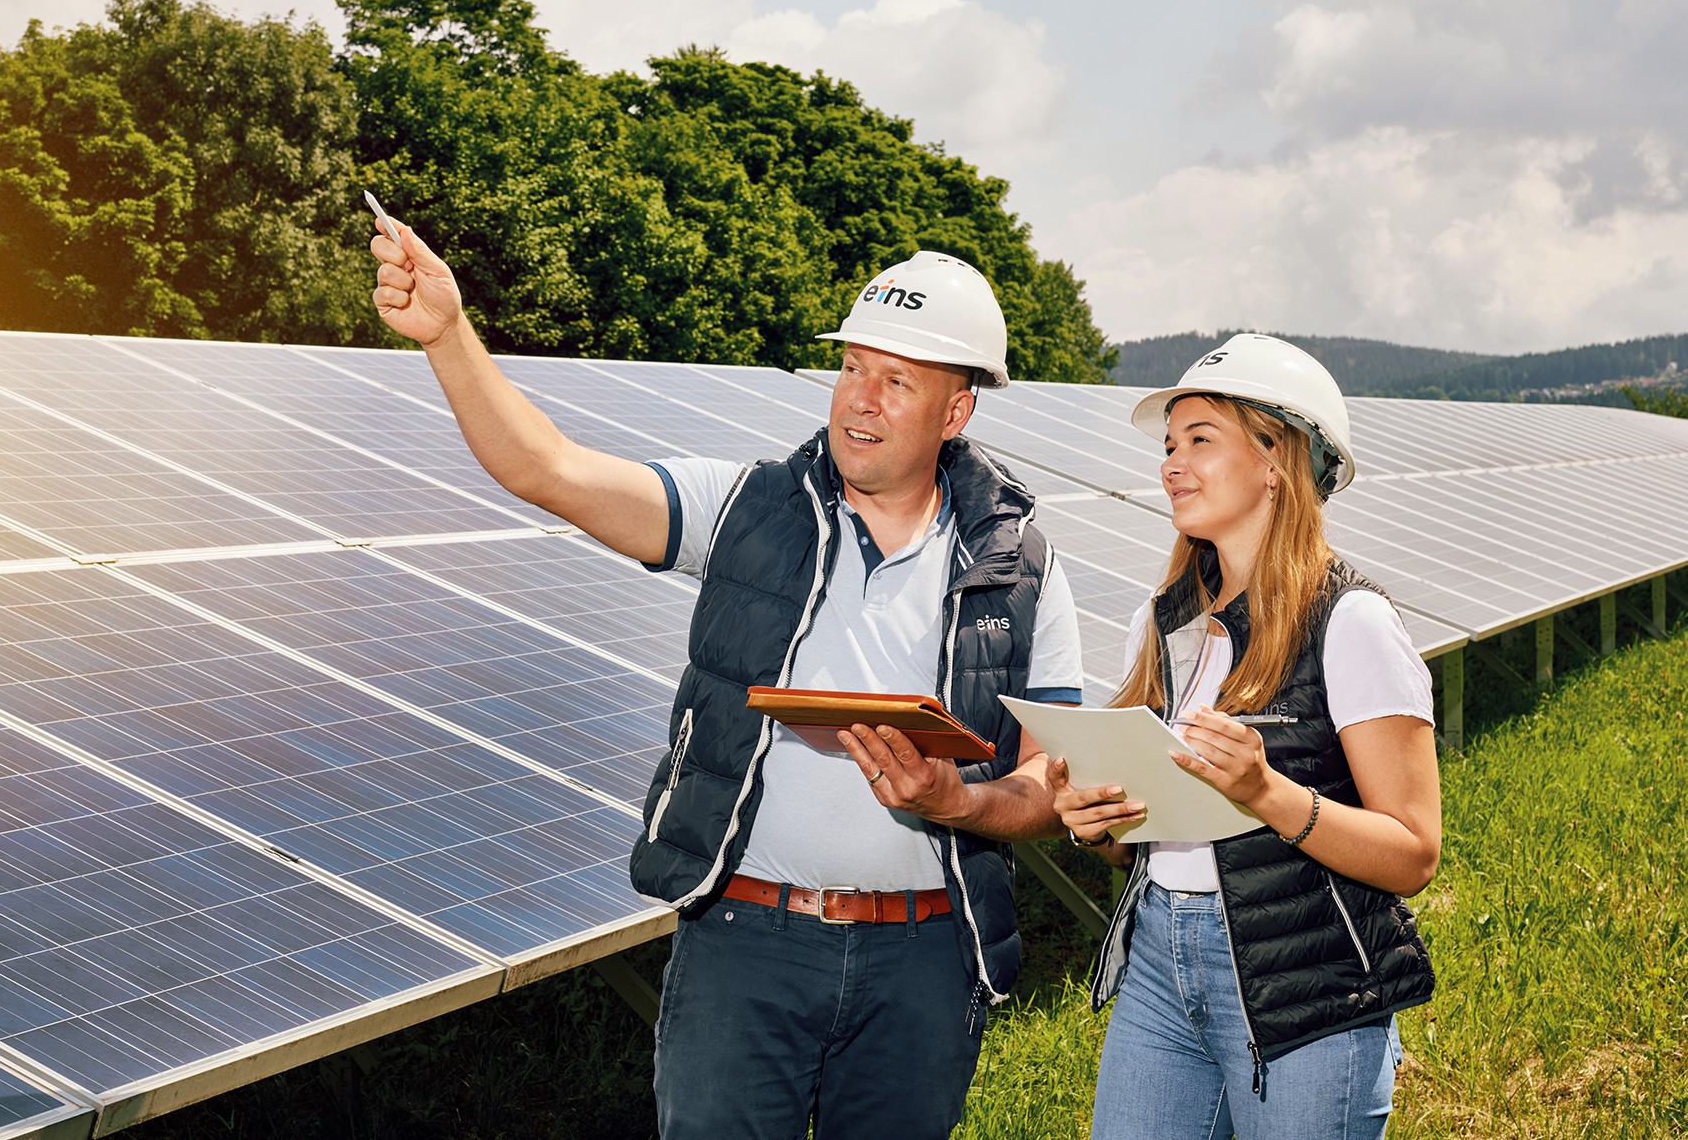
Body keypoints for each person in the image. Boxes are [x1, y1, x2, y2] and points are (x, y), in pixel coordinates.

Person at [369, 218, 1084, 1139]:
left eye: (896, 380)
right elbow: (547, 469)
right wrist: (449, 334)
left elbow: (1047, 784)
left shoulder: (1023, 566)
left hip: (928, 961)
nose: (859, 400)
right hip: (746, 948)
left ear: (956, 412)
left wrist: (958, 803)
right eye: (852, 368)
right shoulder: (743, 507)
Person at [1054, 333, 1440, 1139]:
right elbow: (1159, 835)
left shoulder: (1351, 621)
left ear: (1277, 459)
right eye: (1169, 444)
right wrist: (1102, 824)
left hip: (1309, 989)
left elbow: (1411, 852)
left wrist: (1266, 792)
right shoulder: (1159, 622)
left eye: (1201, 440)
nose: (1171, 463)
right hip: (1160, 963)